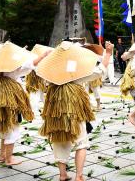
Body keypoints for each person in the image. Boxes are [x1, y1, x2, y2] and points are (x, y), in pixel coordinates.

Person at [37, 41, 113, 181]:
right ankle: (79, 176)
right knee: (81, 142)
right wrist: (108, 53)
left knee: (59, 140)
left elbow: (40, 75)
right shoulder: (77, 72)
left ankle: (62, 174)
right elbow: (100, 70)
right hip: (74, 112)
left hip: (55, 112)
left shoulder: (50, 72)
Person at [0, 41, 49, 166]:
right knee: (12, 127)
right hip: (10, 99)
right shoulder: (13, 68)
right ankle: (9, 159)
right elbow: (31, 64)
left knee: (4, 125)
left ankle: (2, 155)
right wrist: (43, 55)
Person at [25, 44, 52, 117]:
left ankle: (45, 110)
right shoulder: (34, 59)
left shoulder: (35, 58)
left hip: (39, 80)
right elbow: (35, 68)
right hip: (35, 80)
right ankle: (33, 112)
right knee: (35, 95)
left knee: (40, 95)